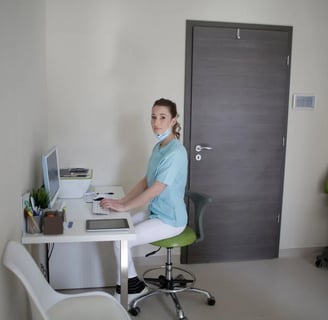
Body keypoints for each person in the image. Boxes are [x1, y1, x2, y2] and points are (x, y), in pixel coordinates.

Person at [100, 98, 188, 302]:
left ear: (174, 120)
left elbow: (156, 188)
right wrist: (123, 201)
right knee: (119, 232)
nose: (157, 123)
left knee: (121, 241)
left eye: (163, 117)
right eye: (153, 117)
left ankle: (130, 290)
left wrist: (124, 206)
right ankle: (133, 285)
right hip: (156, 212)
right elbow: (146, 181)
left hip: (171, 220)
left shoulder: (176, 153)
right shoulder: (159, 148)